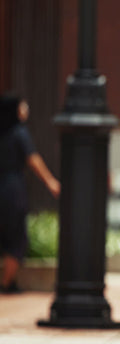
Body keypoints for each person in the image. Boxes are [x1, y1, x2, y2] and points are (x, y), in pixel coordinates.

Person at [0, 94, 60, 293]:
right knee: (16, 237)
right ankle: (6, 284)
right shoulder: (19, 133)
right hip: (12, 188)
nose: (26, 109)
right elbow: (33, 160)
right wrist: (51, 182)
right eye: (22, 106)